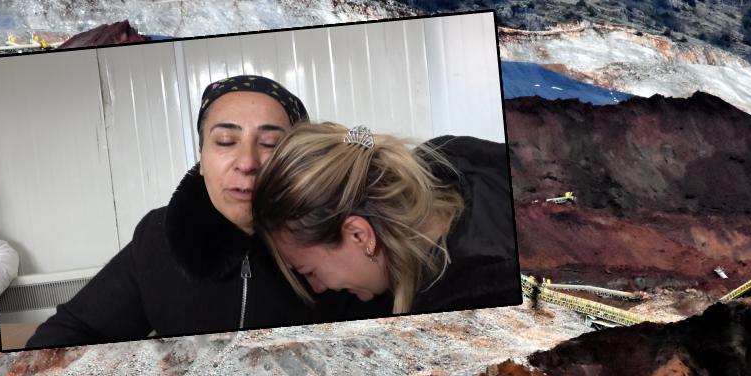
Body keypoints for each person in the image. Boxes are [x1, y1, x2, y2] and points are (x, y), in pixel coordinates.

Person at [25, 76, 387, 349]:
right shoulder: (158, 235)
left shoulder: (341, 240)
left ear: (298, 163)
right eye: (226, 142)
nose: (246, 162)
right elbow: (65, 336)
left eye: (271, 145)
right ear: (201, 159)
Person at [250, 122, 521, 317]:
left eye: (309, 272)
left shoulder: (476, 301)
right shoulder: (452, 157)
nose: (318, 288)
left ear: (359, 235)